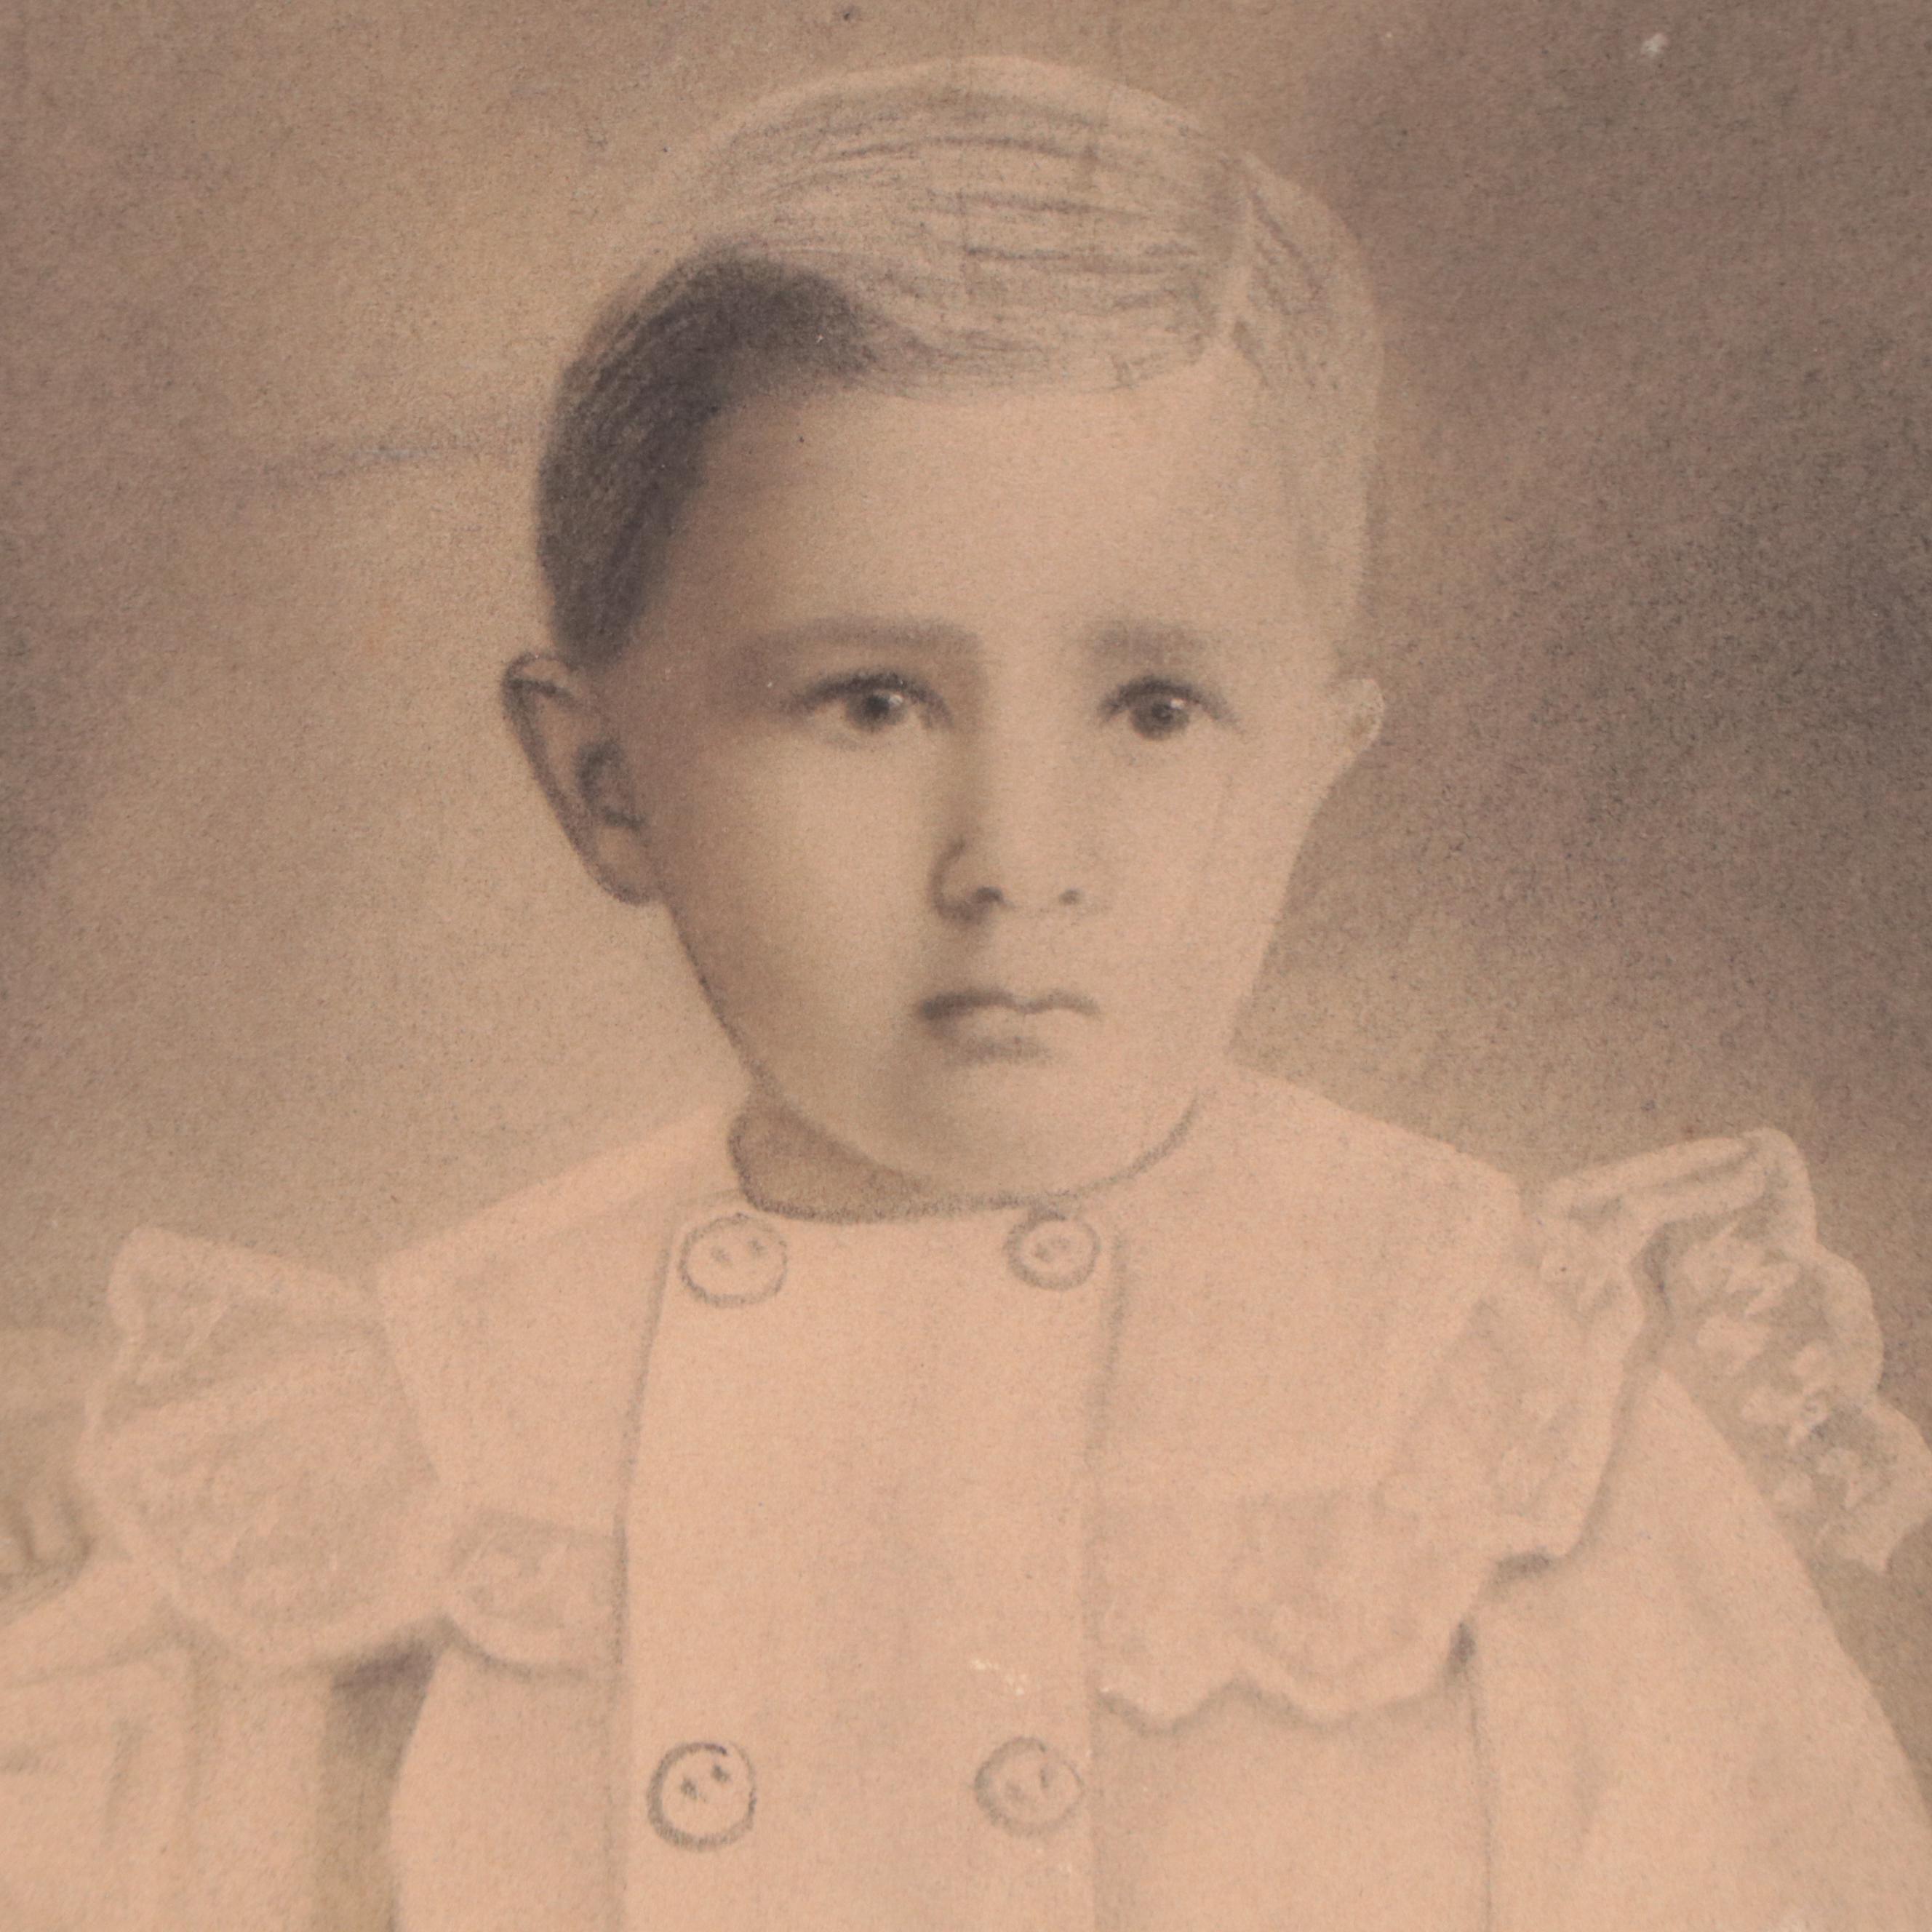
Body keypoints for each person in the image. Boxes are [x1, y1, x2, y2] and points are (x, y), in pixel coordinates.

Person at [4, 55, 1931, 1932]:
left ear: (1313, 763)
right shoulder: (415, 1438)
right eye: (870, 702)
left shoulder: (1484, 1409)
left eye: (1155, 706)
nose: (1016, 850)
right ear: (605, 781)